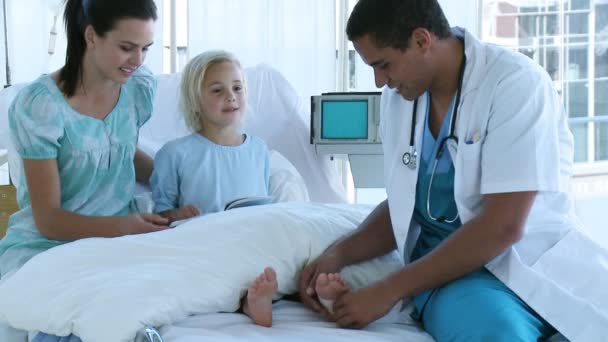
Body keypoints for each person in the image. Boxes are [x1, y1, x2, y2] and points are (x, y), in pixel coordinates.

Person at [299, 0, 606, 341]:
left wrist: (388, 290)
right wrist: (339, 254)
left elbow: (503, 225)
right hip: (455, 277)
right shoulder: (400, 100)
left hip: (540, 260)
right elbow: (407, 205)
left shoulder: (514, 83)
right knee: (498, 335)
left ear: (421, 40)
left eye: (384, 65)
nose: (380, 82)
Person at [0, 0, 168, 341]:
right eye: (126, 48)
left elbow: (118, 149)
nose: (138, 61)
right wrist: (123, 228)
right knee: (67, 319)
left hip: (118, 240)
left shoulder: (138, 88)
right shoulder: (42, 106)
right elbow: (49, 219)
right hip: (49, 244)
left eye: (145, 49)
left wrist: (175, 177)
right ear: (91, 36)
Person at [150, 50, 279, 326]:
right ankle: (237, 300)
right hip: (203, 244)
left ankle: (252, 300)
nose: (231, 96)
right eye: (217, 90)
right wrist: (177, 215)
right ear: (196, 101)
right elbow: (160, 216)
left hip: (249, 240)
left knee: (258, 260)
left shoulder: (258, 150)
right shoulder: (174, 154)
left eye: (237, 88)